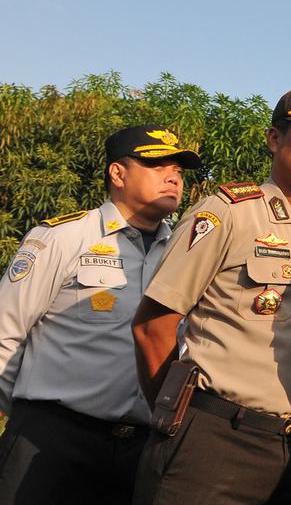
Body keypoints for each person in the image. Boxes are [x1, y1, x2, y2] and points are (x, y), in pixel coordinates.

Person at [130, 85, 291, 504]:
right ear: (275, 139)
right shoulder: (229, 212)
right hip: (214, 434)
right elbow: (153, 326)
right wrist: (173, 419)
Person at [0, 125, 201, 505]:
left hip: (139, 449)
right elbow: (5, 332)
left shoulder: (186, 252)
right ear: (118, 173)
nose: (173, 176)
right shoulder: (62, 237)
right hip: (51, 438)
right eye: (157, 165)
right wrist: (26, 423)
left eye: (178, 169)